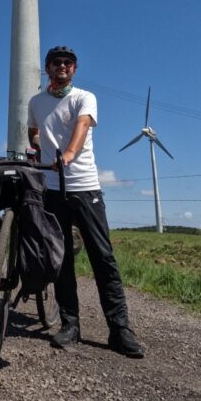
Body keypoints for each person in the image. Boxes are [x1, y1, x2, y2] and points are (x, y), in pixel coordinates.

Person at [27, 46, 144, 358]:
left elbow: (80, 128)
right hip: (52, 189)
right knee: (62, 258)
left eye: (68, 62)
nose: (62, 66)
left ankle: (119, 330)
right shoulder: (36, 102)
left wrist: (67, 154)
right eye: (56, 62)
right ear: (47, 68)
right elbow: (33, 131)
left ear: (74, 69)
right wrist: (37, 149)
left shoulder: (84, 97)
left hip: (85, 186)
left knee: (102, 257)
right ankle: (70, 324)